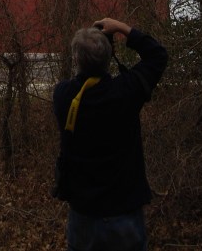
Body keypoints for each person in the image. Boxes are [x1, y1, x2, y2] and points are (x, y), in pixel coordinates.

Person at [53, 17, 168, 251]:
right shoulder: (126, 91)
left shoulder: (63, 96)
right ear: (109, 58)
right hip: (124, 214)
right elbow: (158, 55)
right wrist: (122, 28)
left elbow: (76, 82)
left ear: (76, 60)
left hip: (83, 216)